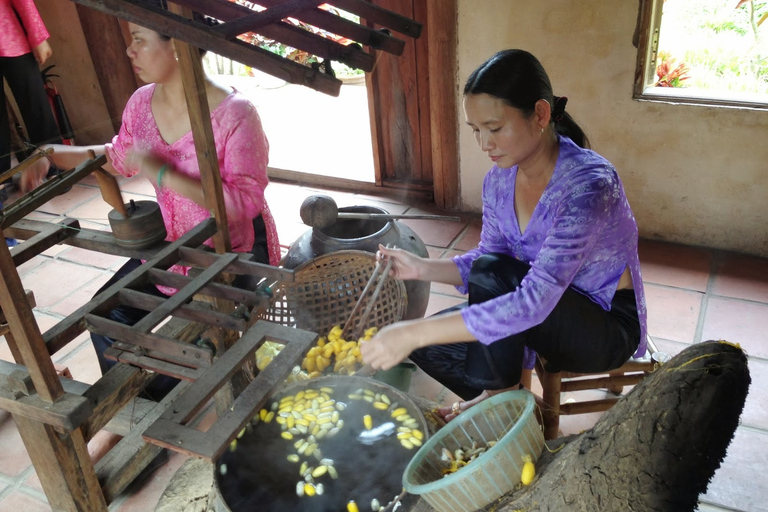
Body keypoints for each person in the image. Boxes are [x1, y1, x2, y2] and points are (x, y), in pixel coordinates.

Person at [360, 49, 648, 422]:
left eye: (494, 129)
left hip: (602, 326)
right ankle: (501, 396)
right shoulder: (498, 182)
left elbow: (530, 298)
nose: (484, 144)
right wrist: (421, 268)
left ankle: (498, 397)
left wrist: (414, 330)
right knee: (431, 349)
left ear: (540, 114)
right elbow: (487, 262)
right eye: (476, 131)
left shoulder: (589, 186)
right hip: (539, 303)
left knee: (462, 305)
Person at [21, 20, 281, 403]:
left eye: (139, 40)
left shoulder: (236, 114)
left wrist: (164, 173)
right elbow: (117, 157)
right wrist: (50, 155)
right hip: (173, 246)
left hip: (232, 252)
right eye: (130, 40)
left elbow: (243, 203)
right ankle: (138, 410)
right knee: (108, 320)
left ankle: (166, 405)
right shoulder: (142, 102)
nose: (130, 50)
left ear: (176, 44)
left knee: (198, 337)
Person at [1, 0, 63, 246]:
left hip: (9, 34)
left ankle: (56, 163)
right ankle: (3, 179)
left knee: (36, 104)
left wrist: (37, 35)